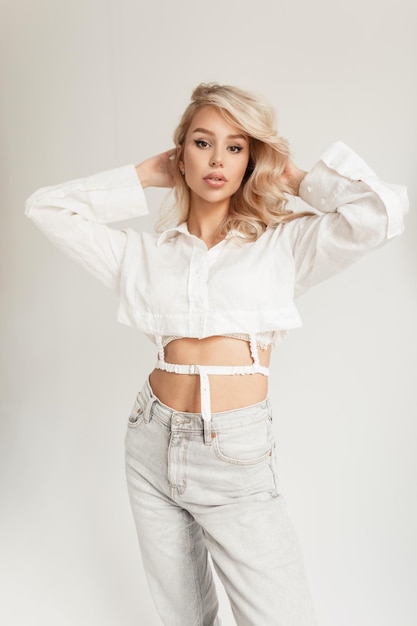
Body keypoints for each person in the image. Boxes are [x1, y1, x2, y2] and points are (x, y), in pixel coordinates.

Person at [25, 83, 408, 626]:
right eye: (203, 143)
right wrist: (142, 175)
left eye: (235, 147)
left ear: (251, 158)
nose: (218, 160)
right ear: (181, 154)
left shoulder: (282, 247)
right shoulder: (146, 255)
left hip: (235, 451)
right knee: (185, 618)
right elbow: (46, 207)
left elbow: (381, 214)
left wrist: (293, 178)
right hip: (149, 442)